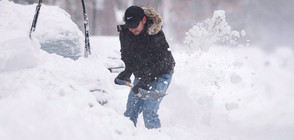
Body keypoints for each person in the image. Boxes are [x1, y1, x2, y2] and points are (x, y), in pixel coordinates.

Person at [114, 5, 175, 129]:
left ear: (144, 20)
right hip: (142, 74)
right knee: (130, 111)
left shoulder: (155, 34)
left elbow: (161, 63)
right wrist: (127, 71)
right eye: (129, 25)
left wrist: (144, 82)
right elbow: (127, 54)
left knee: (149, 111)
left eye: (135, 25)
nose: (132, 29)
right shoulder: (125, 33)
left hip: (162, 73)